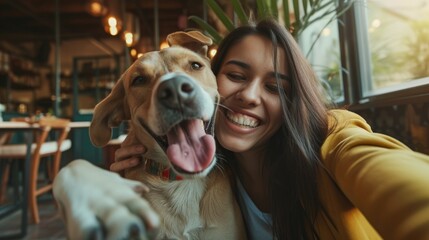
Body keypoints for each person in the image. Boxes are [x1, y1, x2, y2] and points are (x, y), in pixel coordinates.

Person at [112, 19, 429, 239]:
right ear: (215, 79)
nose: (249, 96)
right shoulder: (211, 165)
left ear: (294, 100)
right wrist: (149, 156)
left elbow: (387, 173)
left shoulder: (334, 143)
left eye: (276, 87)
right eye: (236, 75)